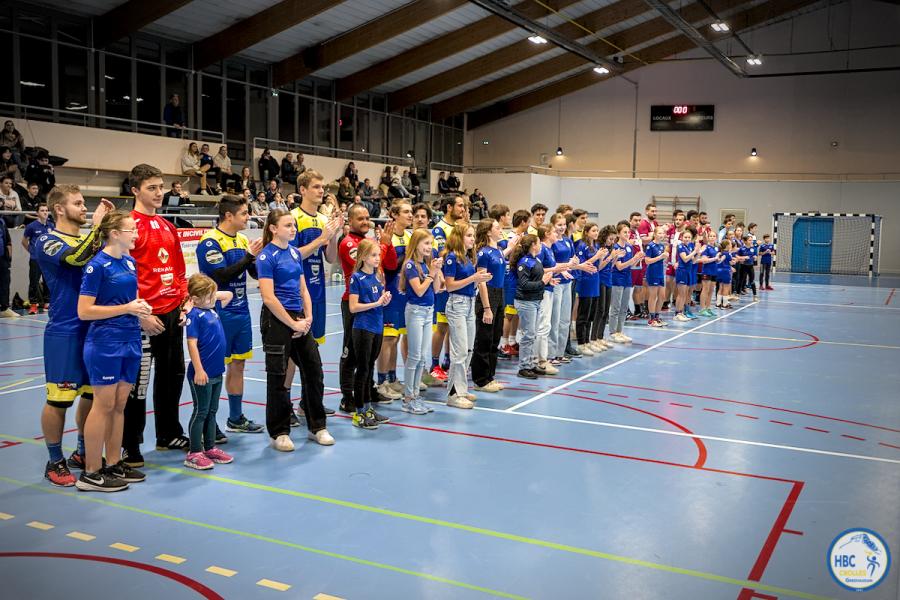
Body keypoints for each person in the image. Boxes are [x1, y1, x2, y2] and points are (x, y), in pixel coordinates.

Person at [36, 187, 114, 485]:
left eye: (85, 203)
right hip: (65, 331)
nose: (84, 208)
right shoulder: (47, 241)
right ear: (58, 208)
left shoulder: (86, 240)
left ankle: (82, 451)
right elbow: (75, 260)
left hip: (95, 329)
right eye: (78, 203)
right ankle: (54, 460)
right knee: (59, 399)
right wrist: (98, 227)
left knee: (93, 396)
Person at [122, 164, 191, 468]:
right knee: (138, 385)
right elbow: (121, 277)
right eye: (151, 187)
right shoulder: (128, 226)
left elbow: (178, 271)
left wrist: (184, 302)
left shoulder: (167, 226)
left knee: (173, 377)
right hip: (143, 317)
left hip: (173, 314)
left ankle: (168, 433)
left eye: (161, 186)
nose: (159, 192)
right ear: (135, 190)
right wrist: (139, 316)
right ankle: (130, 445)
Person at [76, 211, 149, 491]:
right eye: (131, 230)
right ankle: (91, 472)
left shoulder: (130, 262)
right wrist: (127, 308)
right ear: (115, 233)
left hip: (130, 338)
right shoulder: (98, 266)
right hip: (105, 342)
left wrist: (139, 307)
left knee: (120, 405)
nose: (136, 234)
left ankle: (113, 462)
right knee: (103, 405)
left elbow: (127, 300)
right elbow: (84, 311)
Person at [257, 209, 332, 451]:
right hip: (277, 320)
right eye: (288, 225)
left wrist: (307, 318)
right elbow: (268, 298)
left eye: (294, 225)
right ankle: (279, 432)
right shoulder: (266, 257)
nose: (293, 229)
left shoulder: (293, 253)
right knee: (278, 377)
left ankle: (317, 426)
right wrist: (293, 324)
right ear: (273, 228)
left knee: (314, 370)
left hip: (300, 318)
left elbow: (303, 289)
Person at [196, 194, 265, 436]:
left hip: (241, 311)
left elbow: (254, 274)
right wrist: (248, 257)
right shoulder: (210, 241)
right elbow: (220, 276)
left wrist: (258, 257)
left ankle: (235, 418)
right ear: (229, 215)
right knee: (213, 369)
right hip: (217, 314)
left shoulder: (244, 239)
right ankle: (207, 423)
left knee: (238, 364)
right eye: (244, 213)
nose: (248, 217)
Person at [337, 203, 395, 415]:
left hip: (375, 303)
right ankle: (347, 397)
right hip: (355, 304)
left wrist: (383, 247)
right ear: (350, 221)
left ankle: (367, 392)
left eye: (367, 218)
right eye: (359, 218)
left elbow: (388, 265)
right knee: (351, 352)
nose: (365, 221)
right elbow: (369, 268)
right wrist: (385, 245)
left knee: (368, 354)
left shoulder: (370, 242)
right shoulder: (348, 242)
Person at [183, 274, 235, 470]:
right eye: (209, 296)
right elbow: (192, 344)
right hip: (201, 373)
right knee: (201, 411)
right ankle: (194, 451)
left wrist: (210, 293)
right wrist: (198, 369)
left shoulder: (211, 308)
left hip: (216, 371)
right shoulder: (194, 315)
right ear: (195, 299)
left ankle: (210, 447)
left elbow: (227, 294)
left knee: (212, 411)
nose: (214, 298)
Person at [442, 223, 491, 408]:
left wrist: (479, 281)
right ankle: (453, 394)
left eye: (473, 235)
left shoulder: (468, 257)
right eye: (469, 235)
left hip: (470, 302)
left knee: (469, 348)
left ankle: (461, 389)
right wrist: (473, 279)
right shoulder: (452, 258)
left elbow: (470, 282)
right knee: (460, 350)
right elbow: (450, 286)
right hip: (457, 304)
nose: (472, 238)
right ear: (459, 237)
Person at [348, 239, 392, 429]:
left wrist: (384, 301)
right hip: (363, 328)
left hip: (377, 327)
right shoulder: (356, 278)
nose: (377, 258)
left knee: (370, 369)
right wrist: (376, 303)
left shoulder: (376, 276)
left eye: (378, 255)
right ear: (364, 257)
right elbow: (353, 307)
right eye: (373, 255)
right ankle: (359, 413)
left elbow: (377, 300)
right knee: (363, 369)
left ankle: (368, 409)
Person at [400, 229, 443, 414]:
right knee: (414, 356)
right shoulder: (410, 265)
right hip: (416, 312)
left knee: (422, 357)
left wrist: (436, 271)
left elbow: (437, 289)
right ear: (416, 244)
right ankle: (408, 398)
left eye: (430, 244)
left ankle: (416, 395)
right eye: (426, 243)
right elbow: (418, 290)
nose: (429, 247)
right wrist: (432, 274)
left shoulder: (425, 266)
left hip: (428, 312)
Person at [376, 201, 412, 399]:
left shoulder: (408, 236)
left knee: (396, 337)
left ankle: (392, 378)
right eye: (406, 211)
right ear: (394, 215)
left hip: (404, 293)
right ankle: (381, 382)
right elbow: (384, 265)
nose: (410, 215)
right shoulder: (386, 236)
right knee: (388, 338)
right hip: (390, 290)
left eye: (411, 212)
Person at [511, 234, 554, 379]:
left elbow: (537, 278)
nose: (540, 244)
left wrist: (548, 281)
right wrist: (542, 282)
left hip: (534, 300)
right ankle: (523, 367)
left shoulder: (535, 260)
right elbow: (523, 284)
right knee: (528, 335)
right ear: (533, 245)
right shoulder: (525, 262)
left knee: (532, 334)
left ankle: (530, 364)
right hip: (526, 302)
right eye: (538, 242)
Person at [471, 218, 506, 392]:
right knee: (484, 339)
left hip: (499, 294)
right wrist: (486, 308)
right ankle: (480, 379)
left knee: (495, 338)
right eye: (497, 228)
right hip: (488, 295)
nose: (501, 230)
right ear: (488, 232)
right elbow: (482, 281)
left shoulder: (498, 250)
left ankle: (490, 376)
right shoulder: (484, 253)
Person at [500, 209, 530, 359]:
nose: (529, 225)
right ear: (523, 222)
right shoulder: (510, 237)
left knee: (516, 311)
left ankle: (512, 341)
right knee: (509, 313)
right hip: (511, 278)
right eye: (528, 222)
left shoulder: (522, 237)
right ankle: (503, 343)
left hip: (519, 278)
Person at [609, 222, 643, 342]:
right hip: (617, 279)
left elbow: (631, 265)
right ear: (618, 234)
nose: (627, 234)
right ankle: (613, 332)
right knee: (616, 307)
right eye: (624, 232)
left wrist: (637, 259)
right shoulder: (616, 248)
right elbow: (619, 267)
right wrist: (633, 259)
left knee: (624, 307)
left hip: (627, 279)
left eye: (628, 232)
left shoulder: (629, 247)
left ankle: (620, 331)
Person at [574, 223, 603, 355]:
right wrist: (597, 256)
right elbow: (581, 263)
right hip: (585, 280)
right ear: (586, 232)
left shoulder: (596, 245)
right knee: (583, 314)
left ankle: (587, 341)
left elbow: (598, 264)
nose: (596, 233)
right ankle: (581, 343)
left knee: (591, 313)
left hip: (595, 280)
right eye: (593, 230)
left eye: (597, 230)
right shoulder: (581, 245)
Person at [21, 202, 53, 314]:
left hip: (48, 260)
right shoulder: (31, 226)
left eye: (46, 210)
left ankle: (47, 303)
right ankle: (33, 305)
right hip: (35, 259)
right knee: (34, 282)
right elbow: (24, 241)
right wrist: (31, 251)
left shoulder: (51, 226)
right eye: (42, 210)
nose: (45, 212)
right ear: (37, 213)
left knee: (48, 281)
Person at [644, 225, 670, 327]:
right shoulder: (650, 245)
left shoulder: (661, 246)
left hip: (660, 273)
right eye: (659, 233)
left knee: (662, 296)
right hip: (652, 273)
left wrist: (665, 258)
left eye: (662, 233)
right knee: (653, 296)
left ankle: (657, 317)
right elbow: (647, 261)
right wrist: (661, 257)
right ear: (654, 234)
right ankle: (651, 319)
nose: (661, 235)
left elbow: (661, 260)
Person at [673, 227, 700, 323]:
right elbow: (685, 259)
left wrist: (697, 253)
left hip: (688, 271)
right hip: (682, 271)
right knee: (681, 294)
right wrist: (694, 252)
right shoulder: (680, 246)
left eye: (689, 237)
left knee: (684, 294)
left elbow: (693, 261)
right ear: (681, 237)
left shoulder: (689, 247)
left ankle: (681, 312)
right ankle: (677, 313)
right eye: (685, 237)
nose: (687, 239)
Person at [697, 230, 722, 317]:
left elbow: (716, 260)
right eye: (710, 236)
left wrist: (718, 259)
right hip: (706, 271)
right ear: (708, 238)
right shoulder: (706, 248)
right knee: (705, 290)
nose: (712, 238)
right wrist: (714, 258)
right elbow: (704, 261)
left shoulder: (716, 248)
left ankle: (708, 308)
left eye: (713, 236)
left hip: (714, 271)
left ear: (716, 238)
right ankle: (702, 309)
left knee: (711, 291)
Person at [736, 235, 759, 302]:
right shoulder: (742, 248)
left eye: (751, 240)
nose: (751, 241)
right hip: (743, 266)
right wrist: (743, 258)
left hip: (750, 266)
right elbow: (737, 256)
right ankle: (737, 294)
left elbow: (755, 255)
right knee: (741, 280)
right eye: (749, 240)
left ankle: (755, 296)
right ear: (745, 241)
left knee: (752, 281)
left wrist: (755, 257)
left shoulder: (753, 248)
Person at [0, 208, 12, 318]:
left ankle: (4, 308)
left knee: (5, 282)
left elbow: (7, 240)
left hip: (2, 258)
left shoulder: (2, 221)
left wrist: (9, 257)